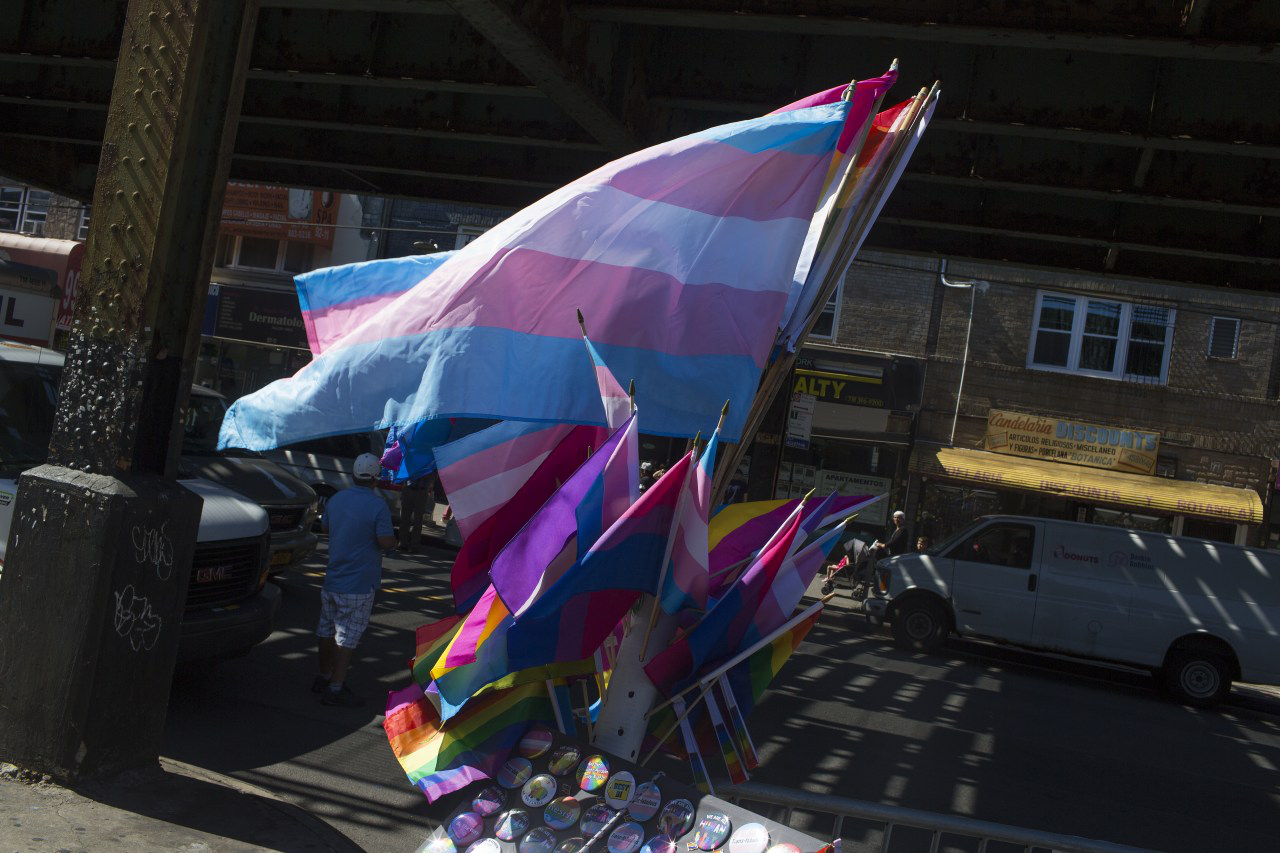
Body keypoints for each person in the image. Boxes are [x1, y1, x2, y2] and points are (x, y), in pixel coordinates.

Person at [313, 452, 397, 707]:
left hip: (332, 579)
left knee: (326, 630)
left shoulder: (336, 499)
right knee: (347, 638)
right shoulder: (378, 506)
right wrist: (395, 542)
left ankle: (323, 675)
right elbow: (384, 541)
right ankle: (336, 688)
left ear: (352, 475)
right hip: (359, 584)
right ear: (375, 479)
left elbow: (326, 527)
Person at [397, 470, 435, 553]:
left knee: (418, 520)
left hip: (421, 491)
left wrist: (423, 474)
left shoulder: (429, 460)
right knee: (404, 518)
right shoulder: (410, 457)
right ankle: (403, 543)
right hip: (408, 488)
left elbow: (434, 475)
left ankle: (414, 545)